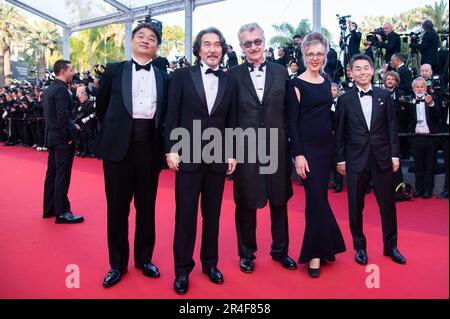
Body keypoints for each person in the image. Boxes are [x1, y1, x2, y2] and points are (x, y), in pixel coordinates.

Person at [165, 27, 238, 295]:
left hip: (218, 158)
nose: (212, 49)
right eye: (207, 44)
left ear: (223, 49)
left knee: (213, 216)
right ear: (198, 49)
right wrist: (171, 148)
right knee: (185, 216)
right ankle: (182, 270)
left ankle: (210, 263)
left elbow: (231, 120)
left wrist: (232, 152)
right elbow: (171, 114)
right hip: (188, 156)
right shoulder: (182, 76)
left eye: (217, 44)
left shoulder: (229, 81)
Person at [96, 23, 169, 288]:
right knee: (117, 209)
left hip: (149, 149)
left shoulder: (163, 76)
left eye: (152, 39)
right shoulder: (115, 70)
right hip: (118, 150)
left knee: (146, 208)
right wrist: (116, 133)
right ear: (131, 41)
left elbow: (166, 114)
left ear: (156, 47)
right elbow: (101, 106)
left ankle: (144, 259)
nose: (146, 41)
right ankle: (117, 264)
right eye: (141, 37)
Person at [227, 23, 296, 274]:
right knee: (245, 203)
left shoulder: (281, 72)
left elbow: (290, 112)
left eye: (257, 41)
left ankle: (281, 250)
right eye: (248, 43)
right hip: (245, 148)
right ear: (241, 47)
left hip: (277, 146)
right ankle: (246, 253)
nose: (253, 47)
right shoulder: (232, 75)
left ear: (264, 42)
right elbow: (229, 115)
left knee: (279, 201)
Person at [335, 54, 406, 266]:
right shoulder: (345, 99)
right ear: (351, 73)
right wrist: (340, 160)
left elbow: (392, 128)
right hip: (356, 160)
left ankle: (391, 246)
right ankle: (360, 247)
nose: (362, 72)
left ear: (372, 70)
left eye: (366, 68)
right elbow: (339, 133)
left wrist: (395, 155)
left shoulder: (385, 95)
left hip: (382, 158)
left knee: (388, 205)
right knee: (355, 206)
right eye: (358, 69)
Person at [287, 32, 346, 278]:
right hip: (308, 150)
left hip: (327, 148)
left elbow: (328, 115)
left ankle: (324, 248)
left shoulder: (325, 80)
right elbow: (292, 123)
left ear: (325, 55)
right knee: (315, 199)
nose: (315, 58)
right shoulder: (296, 84)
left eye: (319, 54)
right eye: (310, 54)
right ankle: (314, 254)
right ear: (304, 55)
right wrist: (298, 155)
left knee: (320, 199)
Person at [42, 59, 84, 224]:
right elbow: (62, 117)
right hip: (61, 139)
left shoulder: (48, 90)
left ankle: (49, 209)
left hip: (52, 137)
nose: (73, 73)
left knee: (51, 174)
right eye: (71, 70)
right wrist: (70, 133)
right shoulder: (60, 91)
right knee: (62, 175)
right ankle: (62, 212)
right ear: (62, 71)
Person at [405, 77, 440, 199]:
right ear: (413, 88)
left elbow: (438, 116)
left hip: (430, 138)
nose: (419, 89)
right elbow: (405, 119)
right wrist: (407, 105)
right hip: (415, 137)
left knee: (430, 165)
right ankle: (419, 189)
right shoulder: (410, 100)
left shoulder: (433, 98)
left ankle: (428, 190)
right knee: (418, 165)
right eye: (417, 87)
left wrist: (431, 104)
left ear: (425, 88)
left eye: (422, 87)